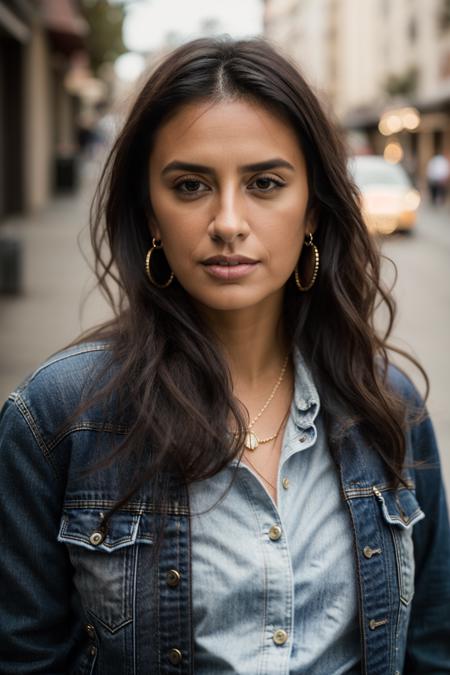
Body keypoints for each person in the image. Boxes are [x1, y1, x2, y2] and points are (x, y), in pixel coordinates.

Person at [0, 37, 449, 675]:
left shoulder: (389, 406)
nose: (228, 221)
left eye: (265, 183)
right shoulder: (56, 420)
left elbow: (430, 645)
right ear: (150, 213)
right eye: (190, 185)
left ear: (314, 209)